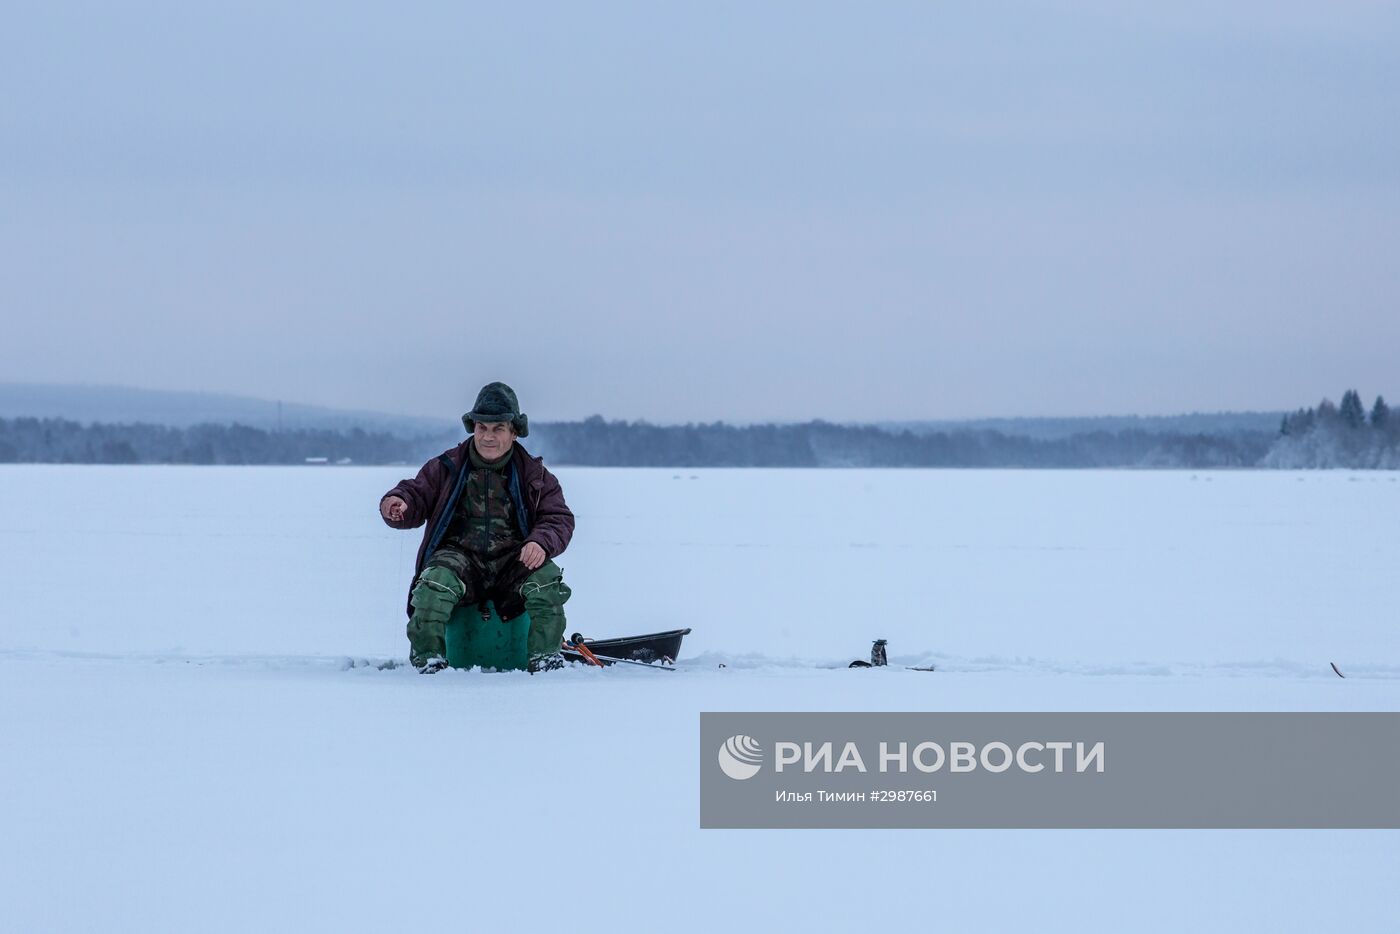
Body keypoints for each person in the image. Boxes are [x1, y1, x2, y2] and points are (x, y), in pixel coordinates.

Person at [379, 382, 575, 674]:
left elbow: (558, 518)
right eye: (482, 428)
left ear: (514, 432)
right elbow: (416, 492)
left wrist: (541, 542)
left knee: (547, 582)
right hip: (459, 558)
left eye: (497, 429)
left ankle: (545, 661)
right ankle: (428, 663)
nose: (488, 436)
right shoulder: (447, 466)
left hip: (514, 559)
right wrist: (397, 502)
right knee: (434, 585)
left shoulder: (535, 475)